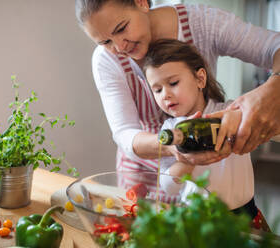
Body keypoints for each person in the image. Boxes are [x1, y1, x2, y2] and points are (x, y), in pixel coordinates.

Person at [75, 0, 280, 172]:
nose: (120, 47)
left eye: (121, 29)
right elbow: (124, 133)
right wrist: (172, 146)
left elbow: (274, 46)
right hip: (144, 176)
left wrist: (272, 89)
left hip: (206, 176)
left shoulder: (204, 23)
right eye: (105, 42)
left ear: (141, 2)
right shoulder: (106, 61)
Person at [142, 39, 271, 231]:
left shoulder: (229, 111)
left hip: (244, 219)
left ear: (200, 79)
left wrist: (239, 117)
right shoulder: (170, 130)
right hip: (197, 221)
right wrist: (186, 160)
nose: (165, 95)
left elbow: (262, 119)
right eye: (157, 90)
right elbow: (169, 187)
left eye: (173, 83)